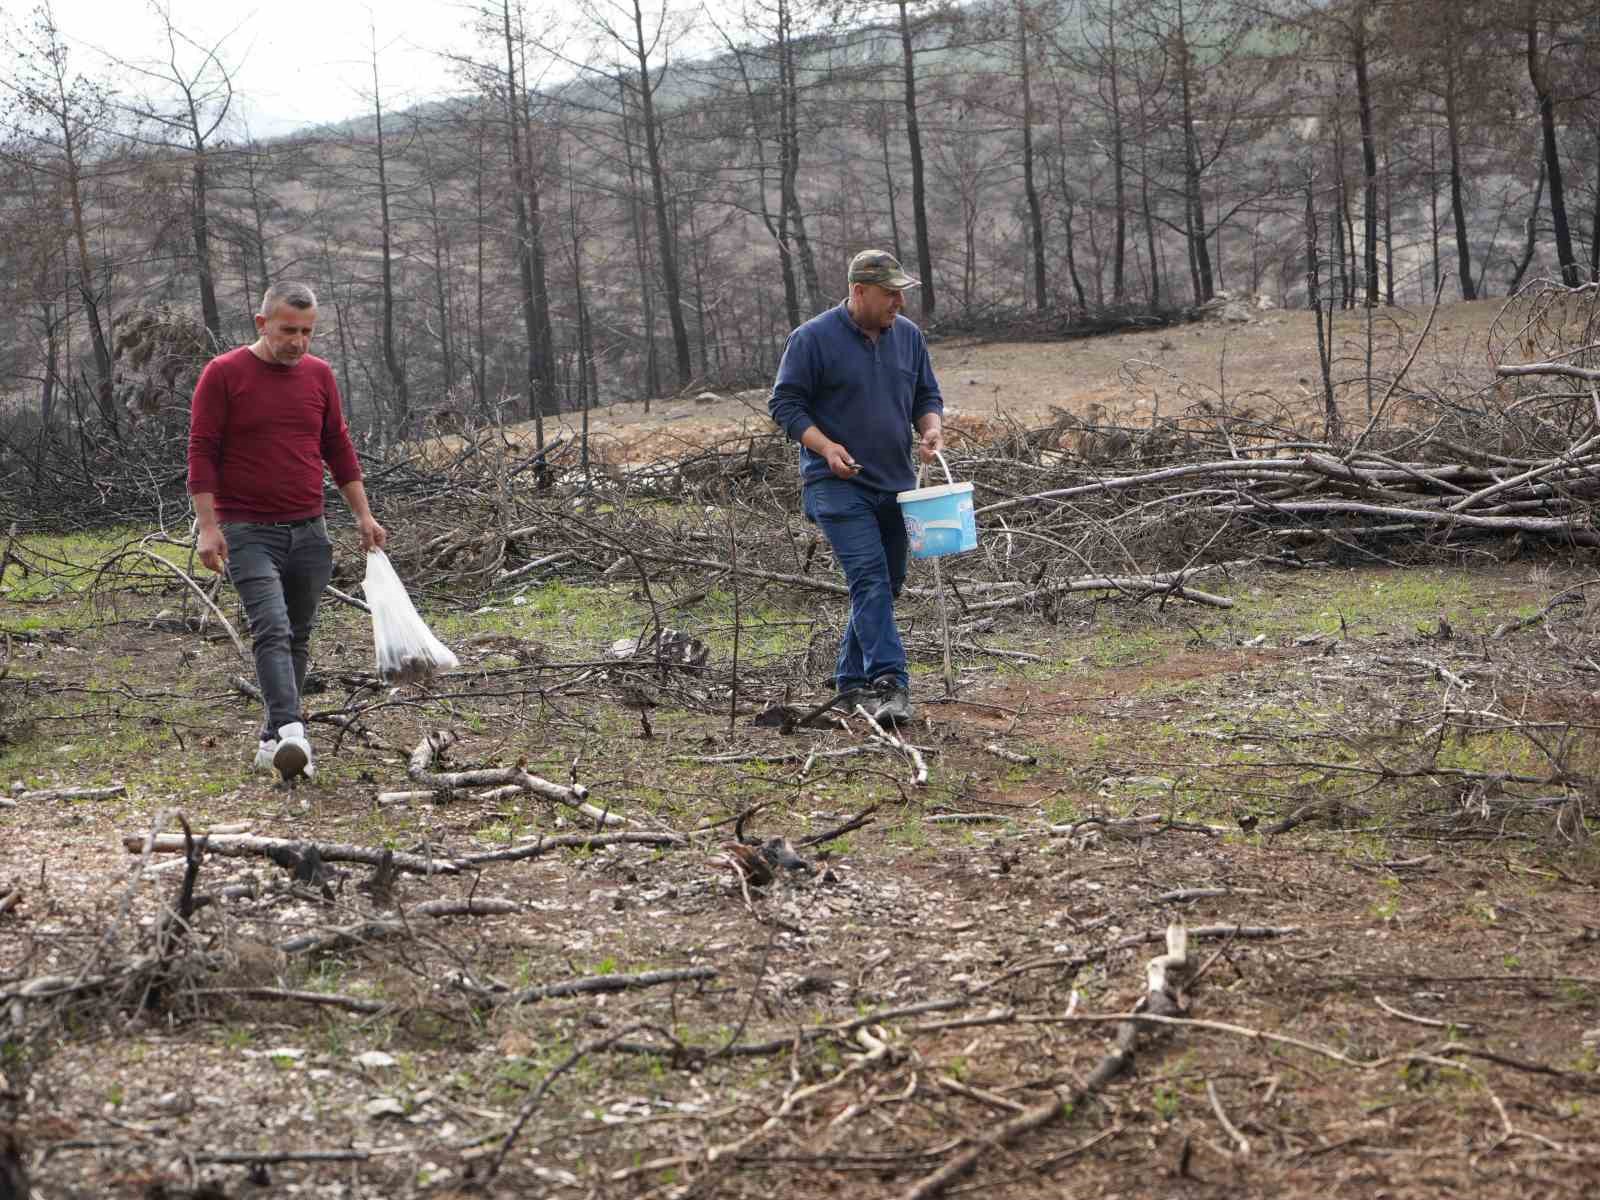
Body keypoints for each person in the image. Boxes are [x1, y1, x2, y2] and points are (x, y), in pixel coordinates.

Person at [187, 281, 386, 781]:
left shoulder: (319, 375)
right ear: (262, 324)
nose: (298, 342)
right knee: (271, 628)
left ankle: (270, 740)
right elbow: (202, 450)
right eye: (288, 330)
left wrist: (363, 515)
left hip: (309, 531)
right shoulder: (223, 374)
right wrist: (207, 526)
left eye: (307, 332)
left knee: (297, 634)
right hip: (247, 530)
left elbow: (337, 447)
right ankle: (294, 733)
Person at [769, 250, 944, 723]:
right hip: (836, 484)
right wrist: (825, 447)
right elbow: (785, 405)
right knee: (868, 578)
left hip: (896, 483)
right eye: (890, 294)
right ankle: (890, 683)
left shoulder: (908, 337)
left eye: (901, 294)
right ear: (859, 291)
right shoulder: (811, 339)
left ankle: (849, 683)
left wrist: (930, 429)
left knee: (888, 583)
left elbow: (926, 395)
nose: (899, 304)